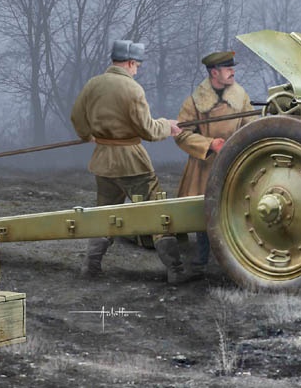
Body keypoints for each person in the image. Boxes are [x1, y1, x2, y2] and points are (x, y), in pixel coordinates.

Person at [70, 40, 186, 282]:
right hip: (132, 163)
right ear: (131, 63)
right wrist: (169, 126)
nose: (137, 70)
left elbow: (76, 116)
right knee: (156, 212)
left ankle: (90, 268)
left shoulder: (93, 85)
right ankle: (176, 271)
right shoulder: (132, 89)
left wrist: (89, 135)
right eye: (137, 66)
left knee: (104, 214)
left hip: (103, 162)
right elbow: (149, 131)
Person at [174, 51, 255, 275]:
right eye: (227, 69)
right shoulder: (195, 101)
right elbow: (181, 133)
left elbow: (252, 125)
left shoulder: (241, 97)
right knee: (203, 215)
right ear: (214, 73)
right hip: (205, 166)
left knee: (237, 210)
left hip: (234, 163)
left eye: (232, 68)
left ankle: (238, 261)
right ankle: (202, 262)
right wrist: (209, 144)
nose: (233, 72)